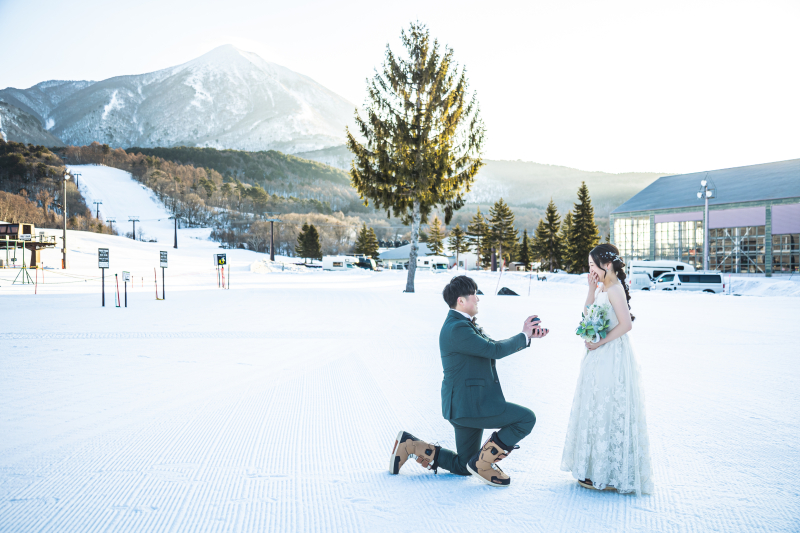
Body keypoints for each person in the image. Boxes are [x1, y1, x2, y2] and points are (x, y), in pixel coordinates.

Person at [388, 275, 548, 487]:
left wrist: (527, 338)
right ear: (461, 301)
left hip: (463, 406)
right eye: (474, 294)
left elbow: (492, 345)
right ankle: (484, 464)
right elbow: (494, 350)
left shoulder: (461, 324)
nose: (478, 299)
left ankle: (411, 446)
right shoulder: (458, 328)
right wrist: (523, 335)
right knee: (526, 419)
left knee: (464, 465)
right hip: (473, 405)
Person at [561, 244, 654, 495]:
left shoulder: (615, 289)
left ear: (608, 264)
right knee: (595, 407)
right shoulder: (603, 287)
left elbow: (626, 325)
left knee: (610, 407)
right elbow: (588, 315)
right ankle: (595, 468)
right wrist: (591, 291)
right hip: (598, 356)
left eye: (593, 265)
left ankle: (611, 472)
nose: (590, 270)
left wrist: (599, 342)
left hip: (612, 355)